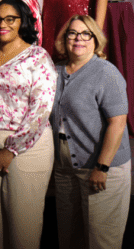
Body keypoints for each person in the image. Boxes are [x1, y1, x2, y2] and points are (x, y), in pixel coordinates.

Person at [0, 0, 56, 249]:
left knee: (23, 231)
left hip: (26, 147)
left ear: (23, 22)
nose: (2, 24)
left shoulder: (37, 57)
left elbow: (41, 109)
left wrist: (11, 150)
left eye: (10, 19)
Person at [50, 15, 130, 249]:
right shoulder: (54, 71)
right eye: (72, 33)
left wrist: (102, 167)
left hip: (102, 167)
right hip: (65, 168)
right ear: (64, 39)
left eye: (86, 33)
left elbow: (118, 123)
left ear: (96, 39)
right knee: (69, 238)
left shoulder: (106, 72)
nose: (78, 39)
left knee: (101, 241)